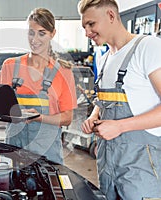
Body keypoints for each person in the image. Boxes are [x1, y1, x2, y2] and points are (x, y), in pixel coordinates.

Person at [78, 0, 161, 199]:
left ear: (111, 16)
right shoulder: (104, 59)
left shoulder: (148, 47)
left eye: (91, 24)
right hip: (108, 164)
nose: (87, 32)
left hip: (141, 166)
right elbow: (103, 99)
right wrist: (93, 115)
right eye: (84, 27)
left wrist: (120, 126)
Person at [0, 8, 77, 165]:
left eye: (42, 33)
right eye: (31, 33)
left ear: (52, 34)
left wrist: (39, 117)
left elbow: (67, 118)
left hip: (48, 154)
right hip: (14, 149)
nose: (35, 39)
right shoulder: (10, 66)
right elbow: (0, 110)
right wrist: (12, 113)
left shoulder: (63, 72)